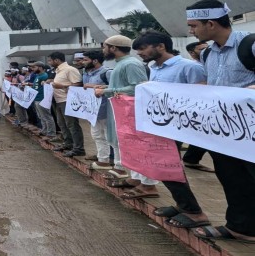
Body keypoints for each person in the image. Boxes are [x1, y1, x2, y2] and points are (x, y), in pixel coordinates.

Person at [185, 0, 255, 243]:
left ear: (211, 24)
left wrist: (245, 92)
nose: (191, 31)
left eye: (193, 26)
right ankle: (241, 227)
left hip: (251, 131)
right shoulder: (207, 54)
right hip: (224, 131)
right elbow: (211, 85)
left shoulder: (250, 44)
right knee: (232, 178)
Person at [132, 30, 210, 228]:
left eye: (143, 48)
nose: (140, 53)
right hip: (160, 125)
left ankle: (194, 212)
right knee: (162, 166)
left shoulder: (189, 67)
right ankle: (183, 205)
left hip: (179, 126)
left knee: (168, 166)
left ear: (161, 46)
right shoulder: (153, 67)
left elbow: (202, 96)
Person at [93, 35, 159, 199]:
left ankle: (149, 185)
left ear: (113, 48)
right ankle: (136, 179)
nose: (103, 50)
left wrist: (106, 91)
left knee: (138, 147)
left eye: (105, 46)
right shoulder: (121, 64)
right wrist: (108, 87)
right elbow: (124, 86)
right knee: (129, 146)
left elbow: (138, 87)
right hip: (122, 111)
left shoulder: (130, 63)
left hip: (132, 112)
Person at [177, 41, 212, 172]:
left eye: (208, 48)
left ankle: (191, 159)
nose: (207, 51)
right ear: (192, 53)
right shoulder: (194, 67)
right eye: (202, 49)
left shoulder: (211, 65)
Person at [47, 51, 85, 157]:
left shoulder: (70, 70)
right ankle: (68, 143)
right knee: (62, 124)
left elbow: (78, 84)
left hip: (67, 100)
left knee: (72, 125)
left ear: (57, 60)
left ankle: (79, 148)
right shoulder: (58, 71)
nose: (49, 63)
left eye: (50, 60)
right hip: (58, 100)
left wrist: (62, 86)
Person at [80, 51, 112, 169]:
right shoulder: (86, 73)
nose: (83, 62)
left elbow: (115, 87)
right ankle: (103, 159)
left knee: (109, 136)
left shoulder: (106, 73)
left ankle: (115, 162)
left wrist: (93, 86)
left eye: (85, 59)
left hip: (106, 109)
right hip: (92, 111)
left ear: (94, 61)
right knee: (96, 135)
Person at [28, 62, 55, 137]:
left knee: (47, 116)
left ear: (40, 67)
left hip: (42, 99)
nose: (32, 69)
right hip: (36, 98)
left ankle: (51, 133)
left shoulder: (44, 76)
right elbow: (36, 85)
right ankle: (44, 130)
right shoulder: (38, 76)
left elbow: (48, 86)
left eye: (34, 67)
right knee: (41, 116)